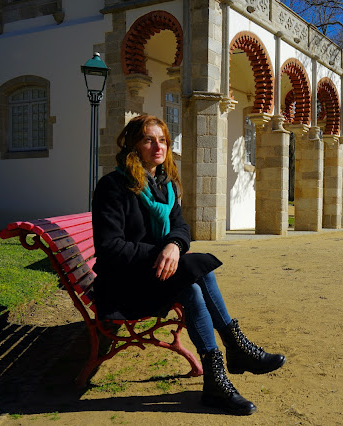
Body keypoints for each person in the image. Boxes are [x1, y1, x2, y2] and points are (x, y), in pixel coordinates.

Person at [92, 115, 285, 416]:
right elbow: (109, 249)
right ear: (133, 145)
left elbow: (182, 229)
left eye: (163, 140)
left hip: (154, 276)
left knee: (194, 281)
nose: (159, 146)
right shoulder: (113, 187)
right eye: (148, 139)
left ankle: (219, 374)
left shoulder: (164, 186)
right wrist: (160, 253)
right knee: (192, 282)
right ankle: (232, 354)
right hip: (123, 286)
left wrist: (173, 246)